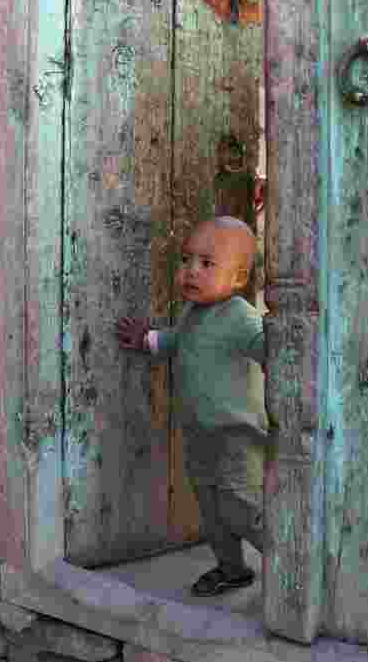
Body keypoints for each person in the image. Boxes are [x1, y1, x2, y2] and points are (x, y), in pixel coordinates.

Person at [115, 215, 268, 597]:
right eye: (187, 260)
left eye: (206, 263)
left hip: (236, 437)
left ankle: (288, 563)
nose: (190, 271)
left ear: (238, 278)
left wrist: (284, 342)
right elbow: (178, 341)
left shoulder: (241, 317)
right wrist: (148, 339)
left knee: (241, 506)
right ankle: (232, 569)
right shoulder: (193, 314)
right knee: (211, 509)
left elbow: (270, 348)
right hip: (200, 434)